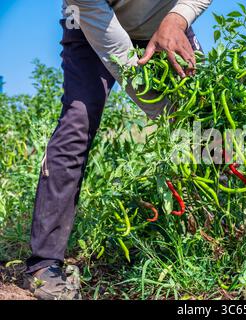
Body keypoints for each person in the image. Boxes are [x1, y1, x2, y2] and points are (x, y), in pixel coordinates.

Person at [24, 0, 212, 300]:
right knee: (77, 124)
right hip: (90, 22)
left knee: (206, 121)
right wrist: (159, 102)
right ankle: (43, 264)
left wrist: (178, 19)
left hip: (164, 25)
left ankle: (221, 238)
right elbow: (98, 22)